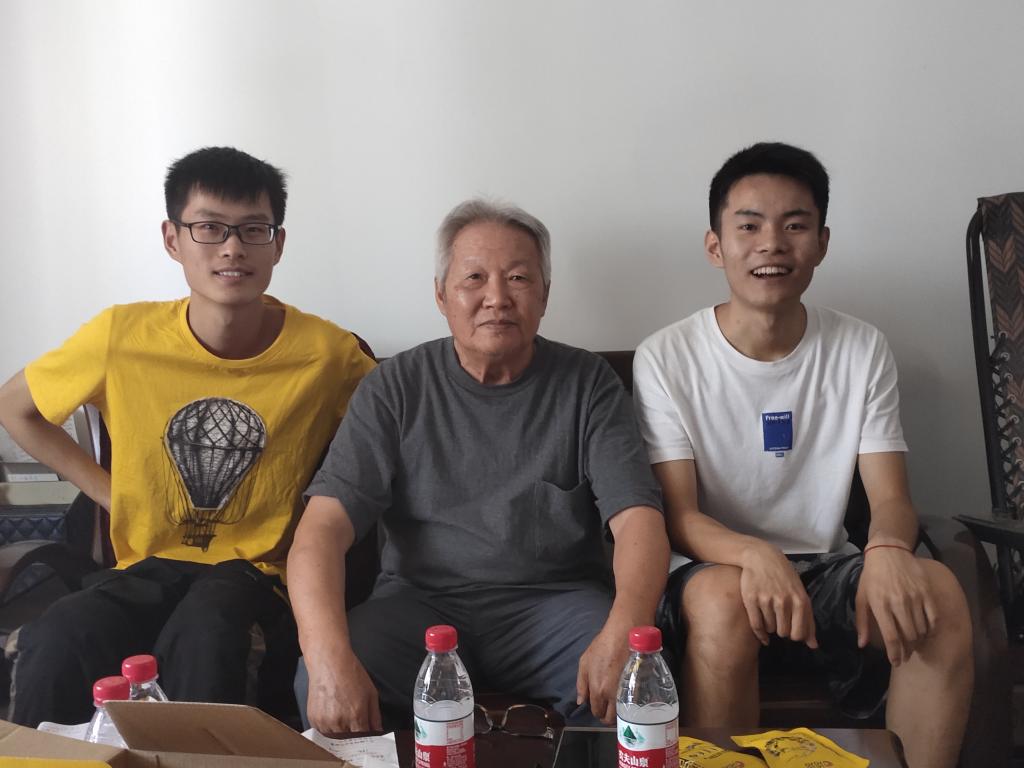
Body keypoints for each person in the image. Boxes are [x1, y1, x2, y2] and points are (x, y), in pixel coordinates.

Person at [0, 146, 375, 727]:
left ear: (277, 244)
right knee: (58, 635)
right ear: (172, 239)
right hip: (144, 566)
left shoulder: (328, 354)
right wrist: (111, 492)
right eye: (209, 228)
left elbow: (399, 425)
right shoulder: (121, 336)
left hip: (257, 575)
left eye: (253, 229)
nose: (232, 248)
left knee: (207, 632)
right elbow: (15, 407)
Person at [631, 142, 973, 768]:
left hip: (825, 568)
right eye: (749, 226)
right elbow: (678, 516)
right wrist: (753, 554)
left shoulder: (861, 348)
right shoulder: (667, 357)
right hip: (712, 569)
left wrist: (888, 550)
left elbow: (892, 498)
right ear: (715, 246)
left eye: (794, 225)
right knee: (723, 603)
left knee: (941, 594)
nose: (772, 244)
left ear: (821, 243)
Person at [290, 198, 670, 734]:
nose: (497, 298)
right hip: (417, 607)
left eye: (518, 278)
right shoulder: (394, 388)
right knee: (319, 677)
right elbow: (322, 530)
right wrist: (326, 657)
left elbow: (638, 520)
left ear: (544, 295)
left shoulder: (587, 385)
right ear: (441, 295)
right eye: (474, 278)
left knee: (635, 685)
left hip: (555, 605)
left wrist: (625, 630)